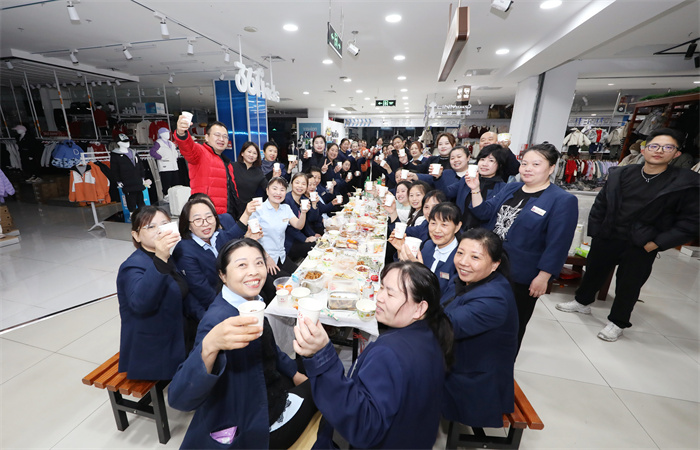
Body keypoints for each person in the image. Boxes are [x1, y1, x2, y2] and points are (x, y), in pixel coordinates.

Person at [168, 238, 316, 449]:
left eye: (259, 262)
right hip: (252, 421)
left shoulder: (253, 303)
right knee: (324, 388)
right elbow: (179, 398)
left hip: (266, 389)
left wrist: (294, 374)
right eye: (242, 265)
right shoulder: (218, 320)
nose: (254, 272)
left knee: (312, 371)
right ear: (222, 275)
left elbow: (269, 349)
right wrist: (209, 346)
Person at [556, 128, 700, 341]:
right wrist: (596, 232)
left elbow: (691, 221)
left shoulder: (684, 182)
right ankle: (582, 302)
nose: (659, 151)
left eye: (667, 147)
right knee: (594, 271)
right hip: (609, 234)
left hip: (643, 242)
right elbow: (601, 204)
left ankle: (618, 321)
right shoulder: (621, 173)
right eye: (654, 146)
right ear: (644, 149)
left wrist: (657, 243)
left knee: (629, 284)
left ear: (677, 153)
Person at [293, 261, 454, 449]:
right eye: (382, 287)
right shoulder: (432, 333)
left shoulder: (389, 353)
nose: (379, 297)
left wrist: (322, 355)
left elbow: (363, 425)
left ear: (419, 308)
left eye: (390, 294)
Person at [469, 143, 578, 351]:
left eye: (536, 164)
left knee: (511, 325)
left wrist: (544, 276)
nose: (528, 168)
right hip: (489, 265)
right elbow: (484, 212)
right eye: (525, 163)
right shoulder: (511, 188)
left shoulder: (562, 200)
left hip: (520, 274)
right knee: (483, 315)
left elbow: (559, 242)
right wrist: (475, 189)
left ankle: (504, 363)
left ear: (551, 167)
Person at [441, 228, 518, 428]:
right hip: (458, 358)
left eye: (475, 257)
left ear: (495, 264)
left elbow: (443, 327)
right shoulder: (471, 277)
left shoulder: (493, 298)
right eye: (460, 253)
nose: (463, 262)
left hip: (472, 378)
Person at [117, 206, 189, 380]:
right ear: (136, 236)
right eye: (151, 227)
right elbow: (141, 304)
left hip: (177, 330)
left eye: (164, 224)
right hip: (155, 346)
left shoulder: (169, 256)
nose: (159, 231)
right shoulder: (132, 266)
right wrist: (161, 257)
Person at [173, 197, 258, 321]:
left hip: (229, 294)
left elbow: (233, 234)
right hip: (209, 308)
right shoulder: (184, 251)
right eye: (198, 220)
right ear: (188, 225)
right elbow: (203, 291)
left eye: (209, 217)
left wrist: (247, 214)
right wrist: (235, 306)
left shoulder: (217, 236)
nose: (205, 223)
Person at [392, 203, 462, 296]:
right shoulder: (428, 246)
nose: (437, 230)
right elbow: (407, 273)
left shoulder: (460, 259)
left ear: (457, 227)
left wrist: (421, 271)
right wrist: (401, 250)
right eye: (433, 223)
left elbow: (445, 297)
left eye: (444, 225)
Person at [174, 117, 239, 215]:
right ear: (207, 137)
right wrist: (181, 133)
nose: (221, 139)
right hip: (208, 215)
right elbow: (188, 147)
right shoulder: (201, 153)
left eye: (225, 136)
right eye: (217, 135)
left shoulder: (227, 163)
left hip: (227, 215)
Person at [250, 176, 309, 278]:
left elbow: (298, 225)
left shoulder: (285, 208)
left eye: (282, 190)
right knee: (288, 282)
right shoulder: (258, 209)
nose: (278, 193)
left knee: (302, 276)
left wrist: (303, 212)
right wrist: (266, 258)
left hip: (281, 256)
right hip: (264, 258)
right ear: (267, 191)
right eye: (275, 189)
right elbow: (252, 239)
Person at [440, 144, 508, 231]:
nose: (485, 164)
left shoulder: (502, 188)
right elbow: (447, 193)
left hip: (482, 235)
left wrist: (475, 189)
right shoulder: (468, 179)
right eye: (482, 159)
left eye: (491, 160)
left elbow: (484, 214)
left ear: (500, 165)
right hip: (460, 230)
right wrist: (438, 178)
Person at [284, 173, 319, 260]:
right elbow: (288, 227)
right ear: (291, 183)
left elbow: (310, 220)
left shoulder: (303, 200)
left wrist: (314, 204)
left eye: (303, 184)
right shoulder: (286, 200)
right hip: (289, 241)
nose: (300, 186)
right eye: (297, 183)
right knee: (316, 248)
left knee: (321, 242)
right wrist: (305, 239)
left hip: (300, 236)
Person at [232, 141, 267, 206]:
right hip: (231, 206)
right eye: (249, 152)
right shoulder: (232, 166)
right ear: (242, 153)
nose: (251, 155)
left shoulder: (259, 172)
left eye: (254, 153)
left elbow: (267, 188)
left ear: (257, 157)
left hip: (249, 207)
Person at [149, 127, 180, 198]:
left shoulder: (171, 143)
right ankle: (166, 196)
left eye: (168, 133)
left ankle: (176, 196)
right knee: (166, 182)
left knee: (176, 183)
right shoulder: (158, 143)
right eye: (165, 133)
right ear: (161, 134)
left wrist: (176, 156)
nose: (168, 135)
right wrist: (161, 157)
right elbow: (152, 152)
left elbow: (174, 151)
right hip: (165, 167)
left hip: (174, 166)